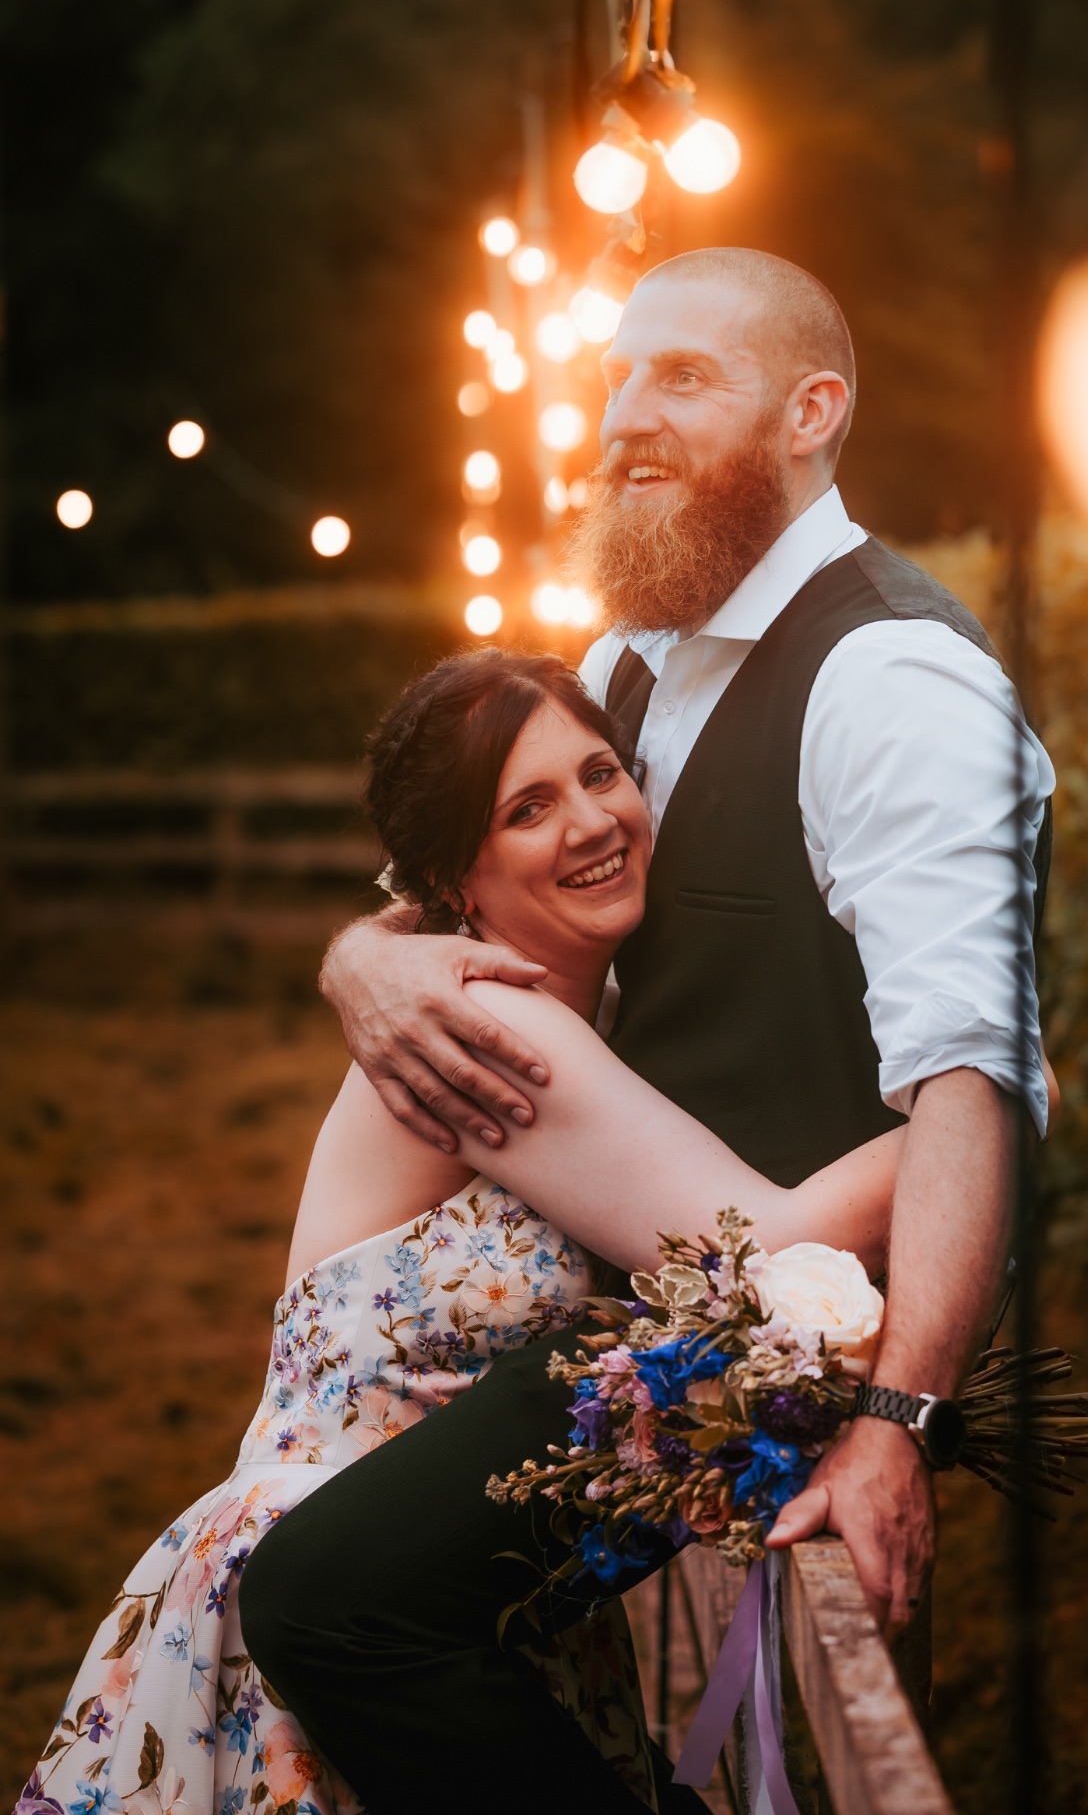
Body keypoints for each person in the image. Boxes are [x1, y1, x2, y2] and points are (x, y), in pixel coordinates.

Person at [237, 247, 1057, 1812]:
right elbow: (490, 879)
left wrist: (894, 1419)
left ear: (815, 412)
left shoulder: (894, 678)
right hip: (646, 1308)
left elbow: (975, 1075)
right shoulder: (626, 660)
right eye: (619, 375)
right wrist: (365, 957)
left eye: (683, 376)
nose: (625, 413)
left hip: (773, 1346)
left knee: (347, 1608)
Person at [16, 647, 913, 1815]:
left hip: (457, 1582)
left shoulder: (591, 1004)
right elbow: (761, 1243)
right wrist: (976, 1092)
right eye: (527, 807)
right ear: (455, 871)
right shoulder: (487, 1018)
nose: (591, 820)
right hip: (357, 1604)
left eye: (600, 772)